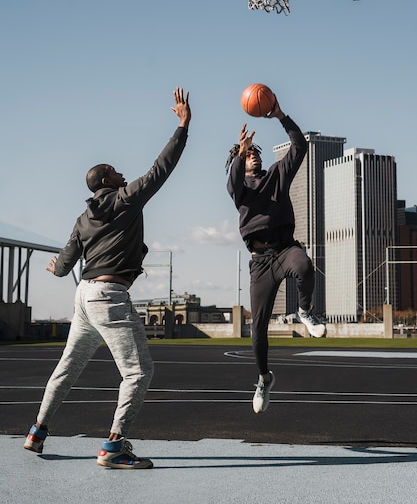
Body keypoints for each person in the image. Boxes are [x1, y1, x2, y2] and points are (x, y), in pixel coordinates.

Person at [24, 87, 191, 469]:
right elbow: (161, 168)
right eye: (115, 171)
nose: (122, 172)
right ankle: (114, 447)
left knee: (67, 368)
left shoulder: (82, 220)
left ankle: (36, 432)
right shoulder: (126, 198)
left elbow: (64, 264)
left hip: (84, 296)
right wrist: (182, 127)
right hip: (108, 296)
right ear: (105, 180)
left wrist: (56, 267)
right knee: (138, 371)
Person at [226, 92, 325, 414]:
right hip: (260, 262)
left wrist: (281, 115)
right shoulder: (239, 188)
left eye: (254, 152)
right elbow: (231, 181)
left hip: (285, 249)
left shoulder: (277, 177)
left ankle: (307, 312)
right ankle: (263, 378)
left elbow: (300, 147)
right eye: (247, 154)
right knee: (257, 330)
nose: (253, 155)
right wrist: (238, 156)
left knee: (305, 266)